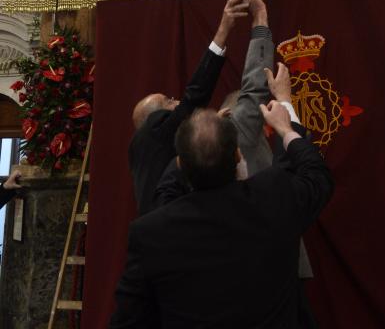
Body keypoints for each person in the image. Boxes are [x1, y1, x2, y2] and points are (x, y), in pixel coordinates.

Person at [110, 102, 334, 328]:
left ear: (181, 164)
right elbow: (317, 176)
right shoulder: (274, 196)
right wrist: (285, 128)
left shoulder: (152, 232)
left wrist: (196, 147)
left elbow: (127, 321)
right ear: (238, 155)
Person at [128, 0, 249, 215]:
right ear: (156, 118)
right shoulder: (156, 130)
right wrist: (224, 29)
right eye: (169, 101)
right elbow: (196, 95)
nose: (176, 102)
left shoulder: (144, 149)